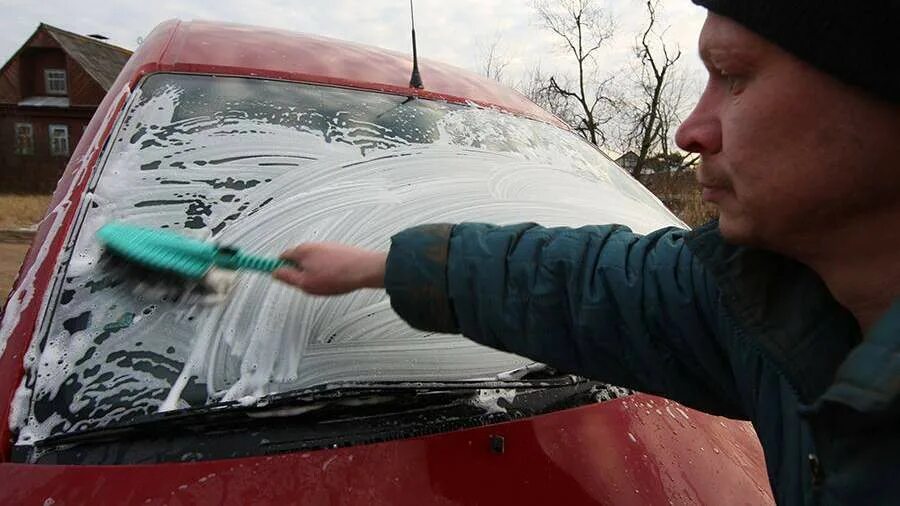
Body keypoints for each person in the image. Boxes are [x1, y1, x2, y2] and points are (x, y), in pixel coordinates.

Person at [273, 2, 900, 504]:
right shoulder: (767, 297)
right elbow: (580, 283)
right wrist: (376, 268)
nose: (689, 131)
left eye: (733, 76)